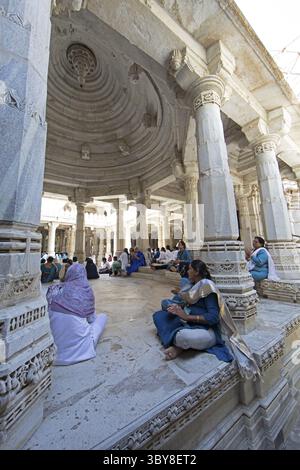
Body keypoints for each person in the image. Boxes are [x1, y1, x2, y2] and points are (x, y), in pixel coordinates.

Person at [153, 260, 261, 380]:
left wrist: (186, 316)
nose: (188, 271)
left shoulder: (207, 287)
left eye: (189, 269)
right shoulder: (193, 285)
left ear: (197, 271)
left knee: (185, 337)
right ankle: (180, 345)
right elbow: (188, 304)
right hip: (189, 323)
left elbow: (213, 317)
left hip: (207, 330)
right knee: (158, 316)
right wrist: (179, 308)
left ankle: (179, 347)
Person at [46, 263, 107, 366]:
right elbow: (91, 320)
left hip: (52, 353)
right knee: (102, 317)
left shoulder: (55, 289)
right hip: (80, 352)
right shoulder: (85, 291)